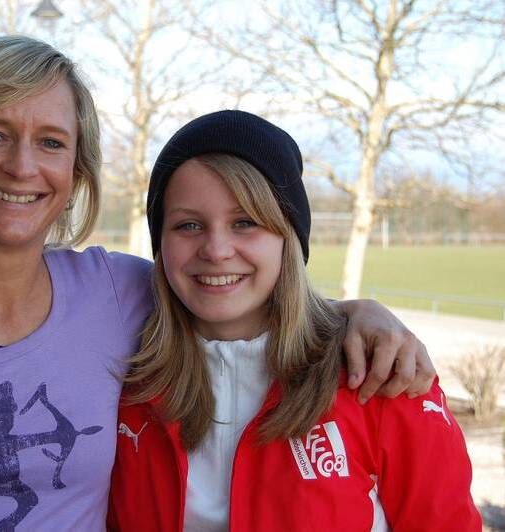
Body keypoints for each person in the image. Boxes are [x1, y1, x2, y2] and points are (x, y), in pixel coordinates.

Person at [0, 37, 435, 531]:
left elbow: (234, 288)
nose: (23, 165)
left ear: (76, 177)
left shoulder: (116, 292)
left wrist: (358, 313)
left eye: (53, 142)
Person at [107, 110, 481, 531]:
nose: (216, 249)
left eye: (245, 222)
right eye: (188, 225)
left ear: (289, 236)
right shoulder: (123, 381)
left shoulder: (383, 377)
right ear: (161, 244)